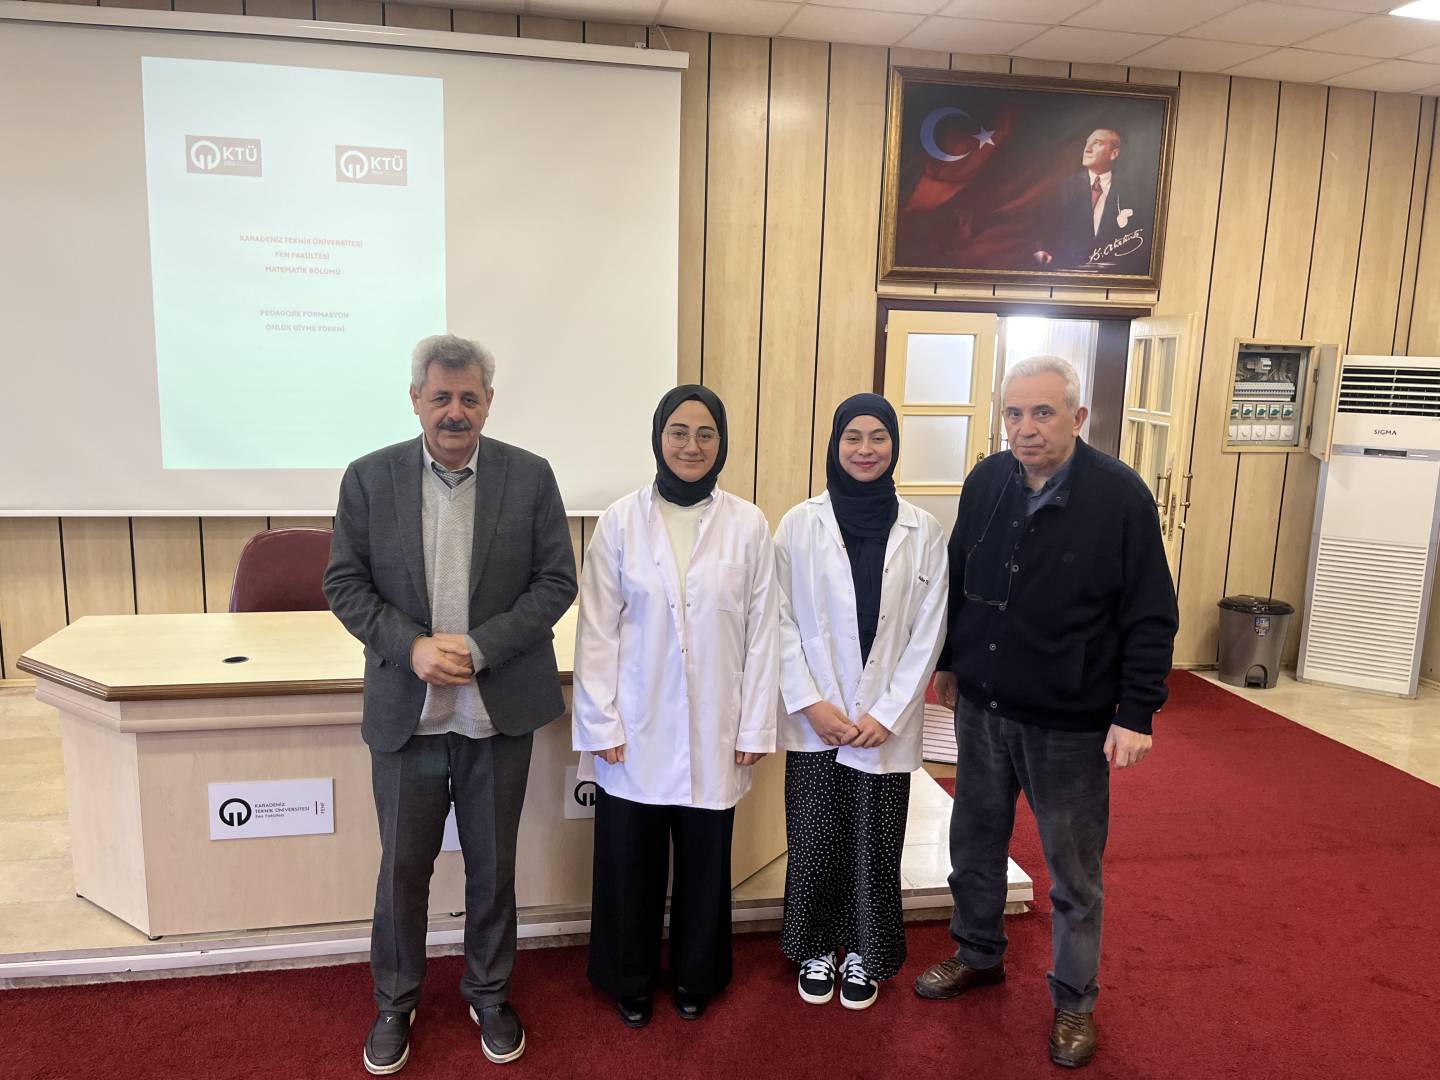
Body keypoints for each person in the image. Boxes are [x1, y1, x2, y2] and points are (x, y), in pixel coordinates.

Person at [913, 356, 1178, 1069]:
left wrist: (1137, 712)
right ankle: (978, 954)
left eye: (1043, 412)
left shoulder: (1120, 497)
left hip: (1069, 721)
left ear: (1077, 417)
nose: (1025, 428)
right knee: (974, 846)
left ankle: (1074, 1000)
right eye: (1014, 413)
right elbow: (960, 581)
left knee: (1073, 874)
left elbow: (1151, 614)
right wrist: (948, 659)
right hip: (983, 709)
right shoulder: (986, 482)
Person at [324, 334, 577, 1074]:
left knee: (493, 868)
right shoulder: (369, 479)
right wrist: (410, 647)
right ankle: (394, 1001)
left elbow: (556, 582)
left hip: (496, 714)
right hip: (408, 716)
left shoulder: (530, 477)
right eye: (441, 397)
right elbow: (345, 584)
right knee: (402, 870)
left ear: (489, 402)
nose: (455, 411)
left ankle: (490, 994)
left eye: (469, 397)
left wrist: (482, 646)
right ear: (416, 400)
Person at [572, 384, 779, 1029]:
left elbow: (763, 633)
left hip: (717, 725)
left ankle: (697, 975)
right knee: (628, 863)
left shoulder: (748, 524)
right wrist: (600, 721)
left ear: (722, 443)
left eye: (705, 434)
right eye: (679, 432)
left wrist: (754, 724)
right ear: (658, 437)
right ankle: (628, 978)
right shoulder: (620, 522)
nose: (692, 446)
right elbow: (596, 631)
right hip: (633, 727)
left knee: (705, 865)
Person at [773, 394, 948, 1010]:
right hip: (818, 718)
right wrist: (810, 703)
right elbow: (778, 621)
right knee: (814, 838)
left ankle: (866, 954)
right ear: (835, 444)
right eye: (853, 437)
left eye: (878, 437)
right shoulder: (799, 525)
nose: (865, 449)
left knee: (876, 842)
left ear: (894, 446)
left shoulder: (923, 531)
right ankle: (816, 947)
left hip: (882, 721)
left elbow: (930, 629)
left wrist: (888, 712)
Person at [1032, 128, 1138, 272]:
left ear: (1114, 153)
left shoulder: (1133, 191)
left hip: (1115, 272)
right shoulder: (1063, 187)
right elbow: (1043, 226)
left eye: (1097, 143)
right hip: (1067, 271)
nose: (1087, 149)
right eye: (1087, 143)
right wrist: (1040, 249)